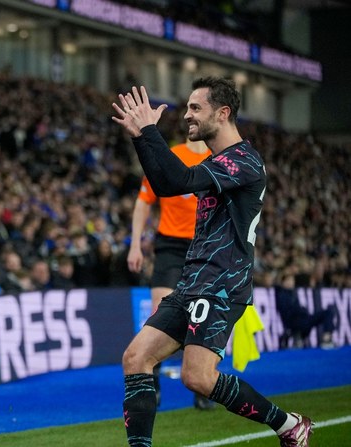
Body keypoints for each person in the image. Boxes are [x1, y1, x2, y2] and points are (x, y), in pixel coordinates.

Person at [112, 77, 313, 446]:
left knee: (198, 378)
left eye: (195, 108)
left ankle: (288, 424)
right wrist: (141, 137)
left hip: (221, 284)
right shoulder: (217, 161)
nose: (187, 115)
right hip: (193, 280)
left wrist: (150, 132)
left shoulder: (243, 160)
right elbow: (165, 186)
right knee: (136, 358)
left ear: (222, 113)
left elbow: (179, 179)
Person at [126, 138, 214, 410]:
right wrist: (135, 244)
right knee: (159, 311)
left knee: (202, 316)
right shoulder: (171, 156)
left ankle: (202, 384)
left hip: (205, 245)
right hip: (170, 245)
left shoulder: (217, 158)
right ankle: (151, 382)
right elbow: (143, 201)